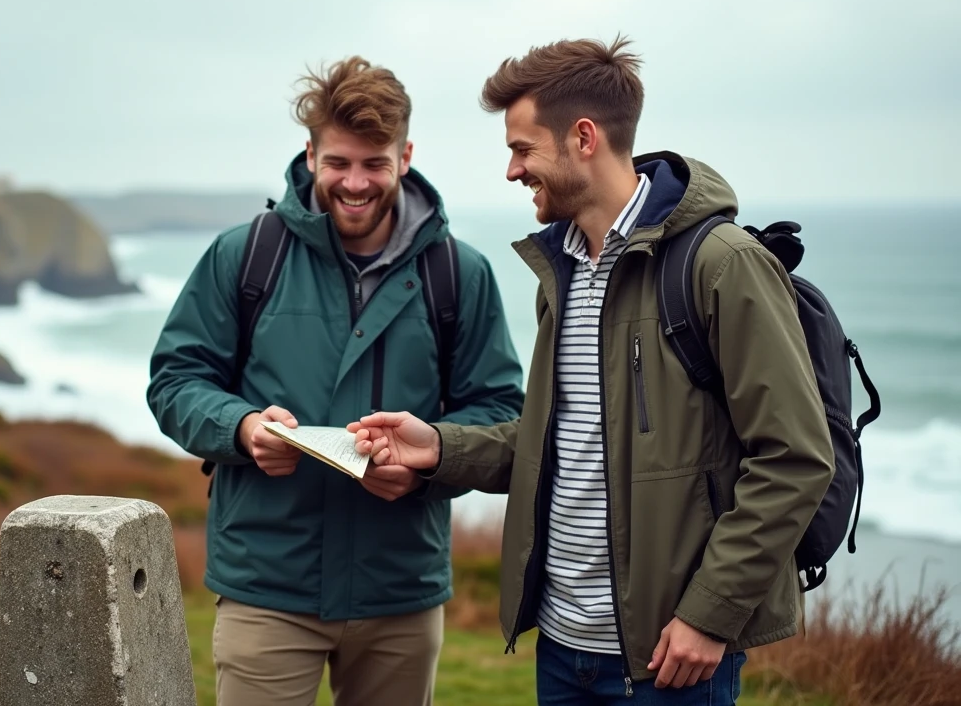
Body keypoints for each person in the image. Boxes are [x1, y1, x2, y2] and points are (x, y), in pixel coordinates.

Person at [350, 36, 835, 705]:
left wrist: (709, 615)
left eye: (522, 149)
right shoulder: (562, 272)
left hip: (671, 659)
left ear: (583, 137)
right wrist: (436, 447)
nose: (513, 172)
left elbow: (795, 458)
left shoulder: (722, 264)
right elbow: (560, 441)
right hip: (563, 647)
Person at [145, 55, 524, 706]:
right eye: (338, 162)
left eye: (374, 163)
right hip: (267, 585)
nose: (355, 182)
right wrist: (240, 428)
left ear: (405, 156)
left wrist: (429, 455)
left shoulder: (460, 274)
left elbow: (501, 414)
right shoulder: (246, 255)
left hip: (399, 592)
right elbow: (176, 378)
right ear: (309, 152)